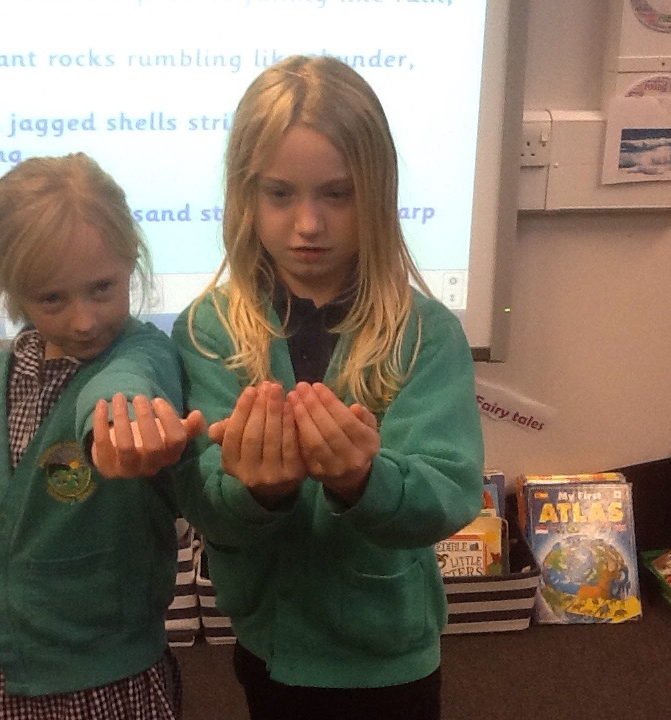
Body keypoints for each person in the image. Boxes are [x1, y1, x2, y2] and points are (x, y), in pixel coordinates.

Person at [173, 55, 485, 720]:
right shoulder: (208, 330)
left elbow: (449, 492)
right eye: (280, 194)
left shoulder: (425, 333)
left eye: (337, 195)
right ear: (246, 195)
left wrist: (363, 480)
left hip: (389, 653)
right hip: (271, 640)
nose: (309, 224)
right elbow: (203, 501)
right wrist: (259, 489)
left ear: (376, 192)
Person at [0, 152, 204, 719]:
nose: (84, 320)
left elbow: (121, 388)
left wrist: (121, 422)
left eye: (102, 288)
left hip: (107, 675)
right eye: (52, 299)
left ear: (131, 259)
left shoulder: (142, 355)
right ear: (11, 287)